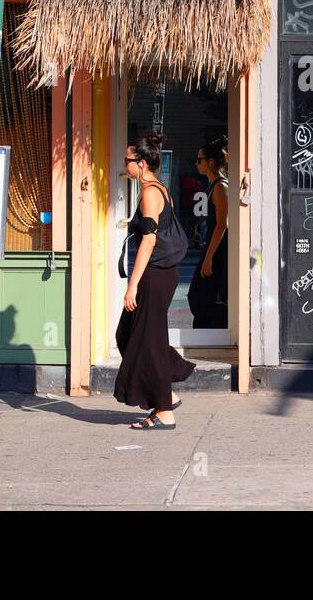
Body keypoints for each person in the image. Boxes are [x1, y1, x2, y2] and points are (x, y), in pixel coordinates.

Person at [113, 133, 195, 430]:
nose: (125, 165)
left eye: (127, 161)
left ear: (142, 163)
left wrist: (132, 284)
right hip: (160, 273)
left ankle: (164, 411)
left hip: (155, 275)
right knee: (129, 335)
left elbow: (148, 241)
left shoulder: (150, 193)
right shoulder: (155, 188)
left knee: (147, 338)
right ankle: (167, 389)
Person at [187, 138, 229, 328]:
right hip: (213, 248)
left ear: (211, 162)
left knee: (200, 294)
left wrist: (209, 257)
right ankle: (206, 331)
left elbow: (222, 224)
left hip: (218, 250)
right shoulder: (213, 186)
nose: (197, 163)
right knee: (200, 295)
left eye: (199, 160)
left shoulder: (220, 187)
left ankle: (211, 331)